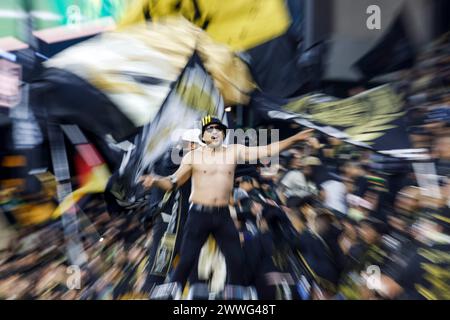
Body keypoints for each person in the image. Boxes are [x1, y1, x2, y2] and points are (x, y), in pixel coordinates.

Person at [140, 115, 313, 293]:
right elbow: (172, 182)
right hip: (198, 214)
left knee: (236, 260)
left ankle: (235, 300)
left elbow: (266, 150)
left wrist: (294, 139)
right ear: (203, 135)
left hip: (222, 215)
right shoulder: (193, 156)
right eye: (210, 129)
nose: (214, 132)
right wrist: (155, 181)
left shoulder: (234, 151)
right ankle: (169, 296)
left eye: (218, 129)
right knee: (186, 260)